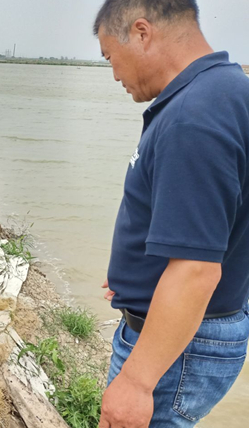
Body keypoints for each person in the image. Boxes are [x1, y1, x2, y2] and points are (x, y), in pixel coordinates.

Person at [94, 1, 249, 426]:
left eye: (110, 57)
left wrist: (136, 382)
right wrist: (139, 269)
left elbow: (196, 269)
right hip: (199, 329)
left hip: (179, 346)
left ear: (141, 32)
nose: (115, 74)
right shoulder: (229, 91)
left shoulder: (192, 118)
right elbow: (223, 222)